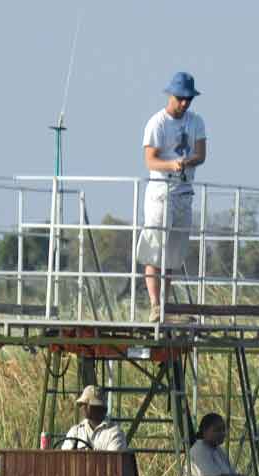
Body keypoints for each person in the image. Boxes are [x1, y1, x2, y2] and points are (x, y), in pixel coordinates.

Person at [137, 71, 207, 323]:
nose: (185, 103)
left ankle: (165, 308)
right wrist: (172, 165)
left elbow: (201, 154)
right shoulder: (157, 123)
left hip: (184, 194)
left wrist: (186, 162)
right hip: (160, 194)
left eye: (189, 98)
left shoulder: (196, 121)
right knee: (154, 252)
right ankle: (155, 305)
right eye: (181, 98)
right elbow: (149, 159)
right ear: (171, 95)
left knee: (173, 254)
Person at [183, 413, 248, 476]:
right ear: (205, 431)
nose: (222, 433)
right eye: (217, 430)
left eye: (224, 430)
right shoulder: (199, 449)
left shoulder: (218, 450)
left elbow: (230, 474)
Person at [60, 385, 128, 451]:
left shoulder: (115, 434)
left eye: (85, 404)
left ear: (97, 407)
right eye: (81, 404)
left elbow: (113, 461)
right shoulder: (75, 431)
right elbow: (65, 457)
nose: (81, 407)